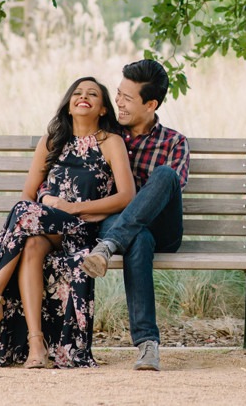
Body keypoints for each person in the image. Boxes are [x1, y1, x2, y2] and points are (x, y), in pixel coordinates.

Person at [0, 77, 135, 368]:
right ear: (69, 105)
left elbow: (126, 196)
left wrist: (73, 208)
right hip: (42, 227)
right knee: (32, 241)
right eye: (77, 93)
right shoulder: (51, 142)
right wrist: (43, 207)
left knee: (26, 213)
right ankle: (37, 346)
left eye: (93, 94)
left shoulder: (111, 143)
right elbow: (28, 194)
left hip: (80, 229)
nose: (83, 97)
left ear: (102, 109)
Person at [77, 59, 189, 371]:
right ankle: (148, 345)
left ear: (151, 103)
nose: (119, 102)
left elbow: (168, 193)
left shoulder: (174, 142)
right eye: (118, 94)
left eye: (128, 97)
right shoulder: (109, 136)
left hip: (163, 228)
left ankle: (107, 246)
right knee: (138, 238)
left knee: (165, 176)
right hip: (124, 228)